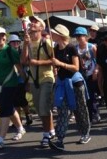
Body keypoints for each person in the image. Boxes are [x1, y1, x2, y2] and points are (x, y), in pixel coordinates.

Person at [48, 24, 91, 151]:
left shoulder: (71, 48)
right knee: (62, 111)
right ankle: (59, 139)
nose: (52, 35)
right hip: (62, 84)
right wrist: (55, 68)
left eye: (54, 33)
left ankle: (85, 133)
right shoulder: (56, 48)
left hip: (75, 84)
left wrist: (60, 64)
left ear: (60, 35)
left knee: (80, 109)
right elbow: (56, 66)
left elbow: (76, 68)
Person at [0, 27, 26, 149]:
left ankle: (0, 139)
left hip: (10, 84)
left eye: (2, 35)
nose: (0, 37)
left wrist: (25, 81)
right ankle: (20, 128)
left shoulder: (10, 50)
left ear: (5, 37)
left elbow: (19, 67)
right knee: (9, 108)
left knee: (4, 110)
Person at [21, 16, 55, 148]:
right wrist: (24, 43)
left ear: (42, 27)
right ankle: (51, 130)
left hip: (46, 78)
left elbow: (54, 61)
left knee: (43, 108)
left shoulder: (47, 42)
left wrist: (38, 62)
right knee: (40, 109)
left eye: (36, 22)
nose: (32, 24)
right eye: (32, 22)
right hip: (33, 80)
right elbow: (23, 61)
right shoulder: (28, 43)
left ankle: (46, 135)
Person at [73, 26, 100, 123]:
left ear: (85, 36)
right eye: (77, 36)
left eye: (80, 36)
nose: (78, 38)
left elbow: (98, 61)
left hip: (91, 73)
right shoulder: (75, 48)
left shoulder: (91, 47)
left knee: (91, 95)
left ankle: (95, 113)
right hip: (80, 75)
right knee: (84, 96)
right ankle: (87, 115)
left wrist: (96, 71)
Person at [9, 34, 33, 126]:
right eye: (13, 42)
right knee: (15, 101)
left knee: (21, 99)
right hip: (11, 80)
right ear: (10, 43)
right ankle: (19, 120)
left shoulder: (22, 52)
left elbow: (25, 63)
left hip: (22, 79)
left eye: (17, 42)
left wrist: (26, 80)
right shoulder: (8, 53)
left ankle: (28, 114)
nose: (15, 43)